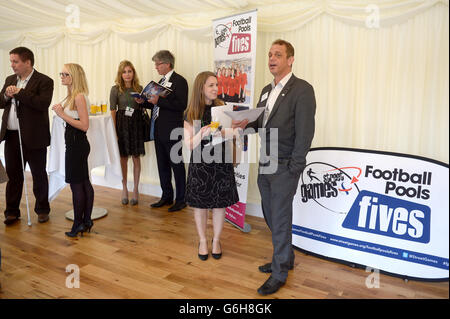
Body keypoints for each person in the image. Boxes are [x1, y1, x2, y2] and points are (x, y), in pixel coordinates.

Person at [233, 39, 316, 295]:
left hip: (284, 166)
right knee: (271, 215)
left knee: (279, 219)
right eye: (270, 54)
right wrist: (243, 124)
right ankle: (286, 257)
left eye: (278, 55)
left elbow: (305, 132)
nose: (272, 59)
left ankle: (279, 272)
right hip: (266, 162)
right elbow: (260, 124)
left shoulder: (302, 90)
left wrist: (295, 167)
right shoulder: (265, 91)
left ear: (290, 59)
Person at [184, 71, 239, 260]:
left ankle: (216, 240)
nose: (216, 88)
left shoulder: (223, 108)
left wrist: (227, 132)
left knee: (219, 205)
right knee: (200, 206)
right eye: (211, 85)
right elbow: (189, 144)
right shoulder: (191, 113)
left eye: (217, 84)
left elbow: (233, 133)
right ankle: (202, 240)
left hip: (221, 163)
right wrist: (203, 133)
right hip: (200, 165)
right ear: (201, 88)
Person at [0, 47, 53, 226]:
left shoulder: (44, 81)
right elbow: (0, 101)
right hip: (12, 136)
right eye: (11, 61)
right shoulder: (9, 79)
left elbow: (42, 104)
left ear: (27, 62)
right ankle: (12, 212)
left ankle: (42, 209)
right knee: (14, 176)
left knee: (39, 174)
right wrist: (7, 95)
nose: (12, 65)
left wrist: (20, 93)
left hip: (34, 136)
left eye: (15, 61)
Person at [52, 63, 94, 238]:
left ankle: (78, 223)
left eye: (65, 74)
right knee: (83, 182)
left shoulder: (78, 97)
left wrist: (62, 114)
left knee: (78, 185)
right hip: (75, 143)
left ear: (74, 77)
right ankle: (85, 221)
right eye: (61, 73)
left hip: (77, 143)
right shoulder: (72, 96)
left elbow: (84, 126)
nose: (61, 76)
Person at [143, 50, 188, 212]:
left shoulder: (179, 81)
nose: (156, 67)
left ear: (167, 64)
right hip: (158, 129)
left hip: (173, 131)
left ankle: (181, 199)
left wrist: (159, 101)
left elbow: (181, 105)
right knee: (162, 165)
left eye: (158, 64)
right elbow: (156, 105)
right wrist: (143, 102)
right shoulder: (160, 81)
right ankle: (166, 196)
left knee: (176, 165)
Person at [110, 60, 145, 205]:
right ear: (120, 74)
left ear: (133, 73)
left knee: (136, 158)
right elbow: (113, 110)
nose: (127, 74)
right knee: (123, 158)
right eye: (124, 72)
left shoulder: (140, 88)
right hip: (121, 125)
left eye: (129, 71)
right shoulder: (115, 89)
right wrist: (114, 131)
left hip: (136, 124)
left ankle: (135, 190)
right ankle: (124, 188)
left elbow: (143, 107)